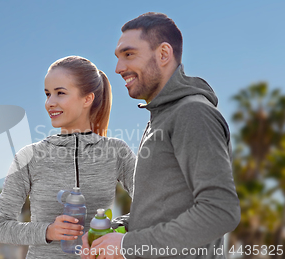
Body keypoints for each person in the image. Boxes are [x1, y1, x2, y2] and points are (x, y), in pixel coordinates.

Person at [80, 13, 241, 259]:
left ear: (163, 54)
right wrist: (111, 231)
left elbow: (220, 211)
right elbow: (161, 210)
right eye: (118, 57)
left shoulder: (192, 113)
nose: (118, 68)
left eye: (129, 54)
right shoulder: (163, 116)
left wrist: (126, 246)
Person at [0, 56, 137, 258]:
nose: (50, 103)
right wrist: (47, 231)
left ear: (87, 99)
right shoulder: (29, 156)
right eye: (47, 94)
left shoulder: (117, 151)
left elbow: (154, 206)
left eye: (60, 93)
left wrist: (113, 227)